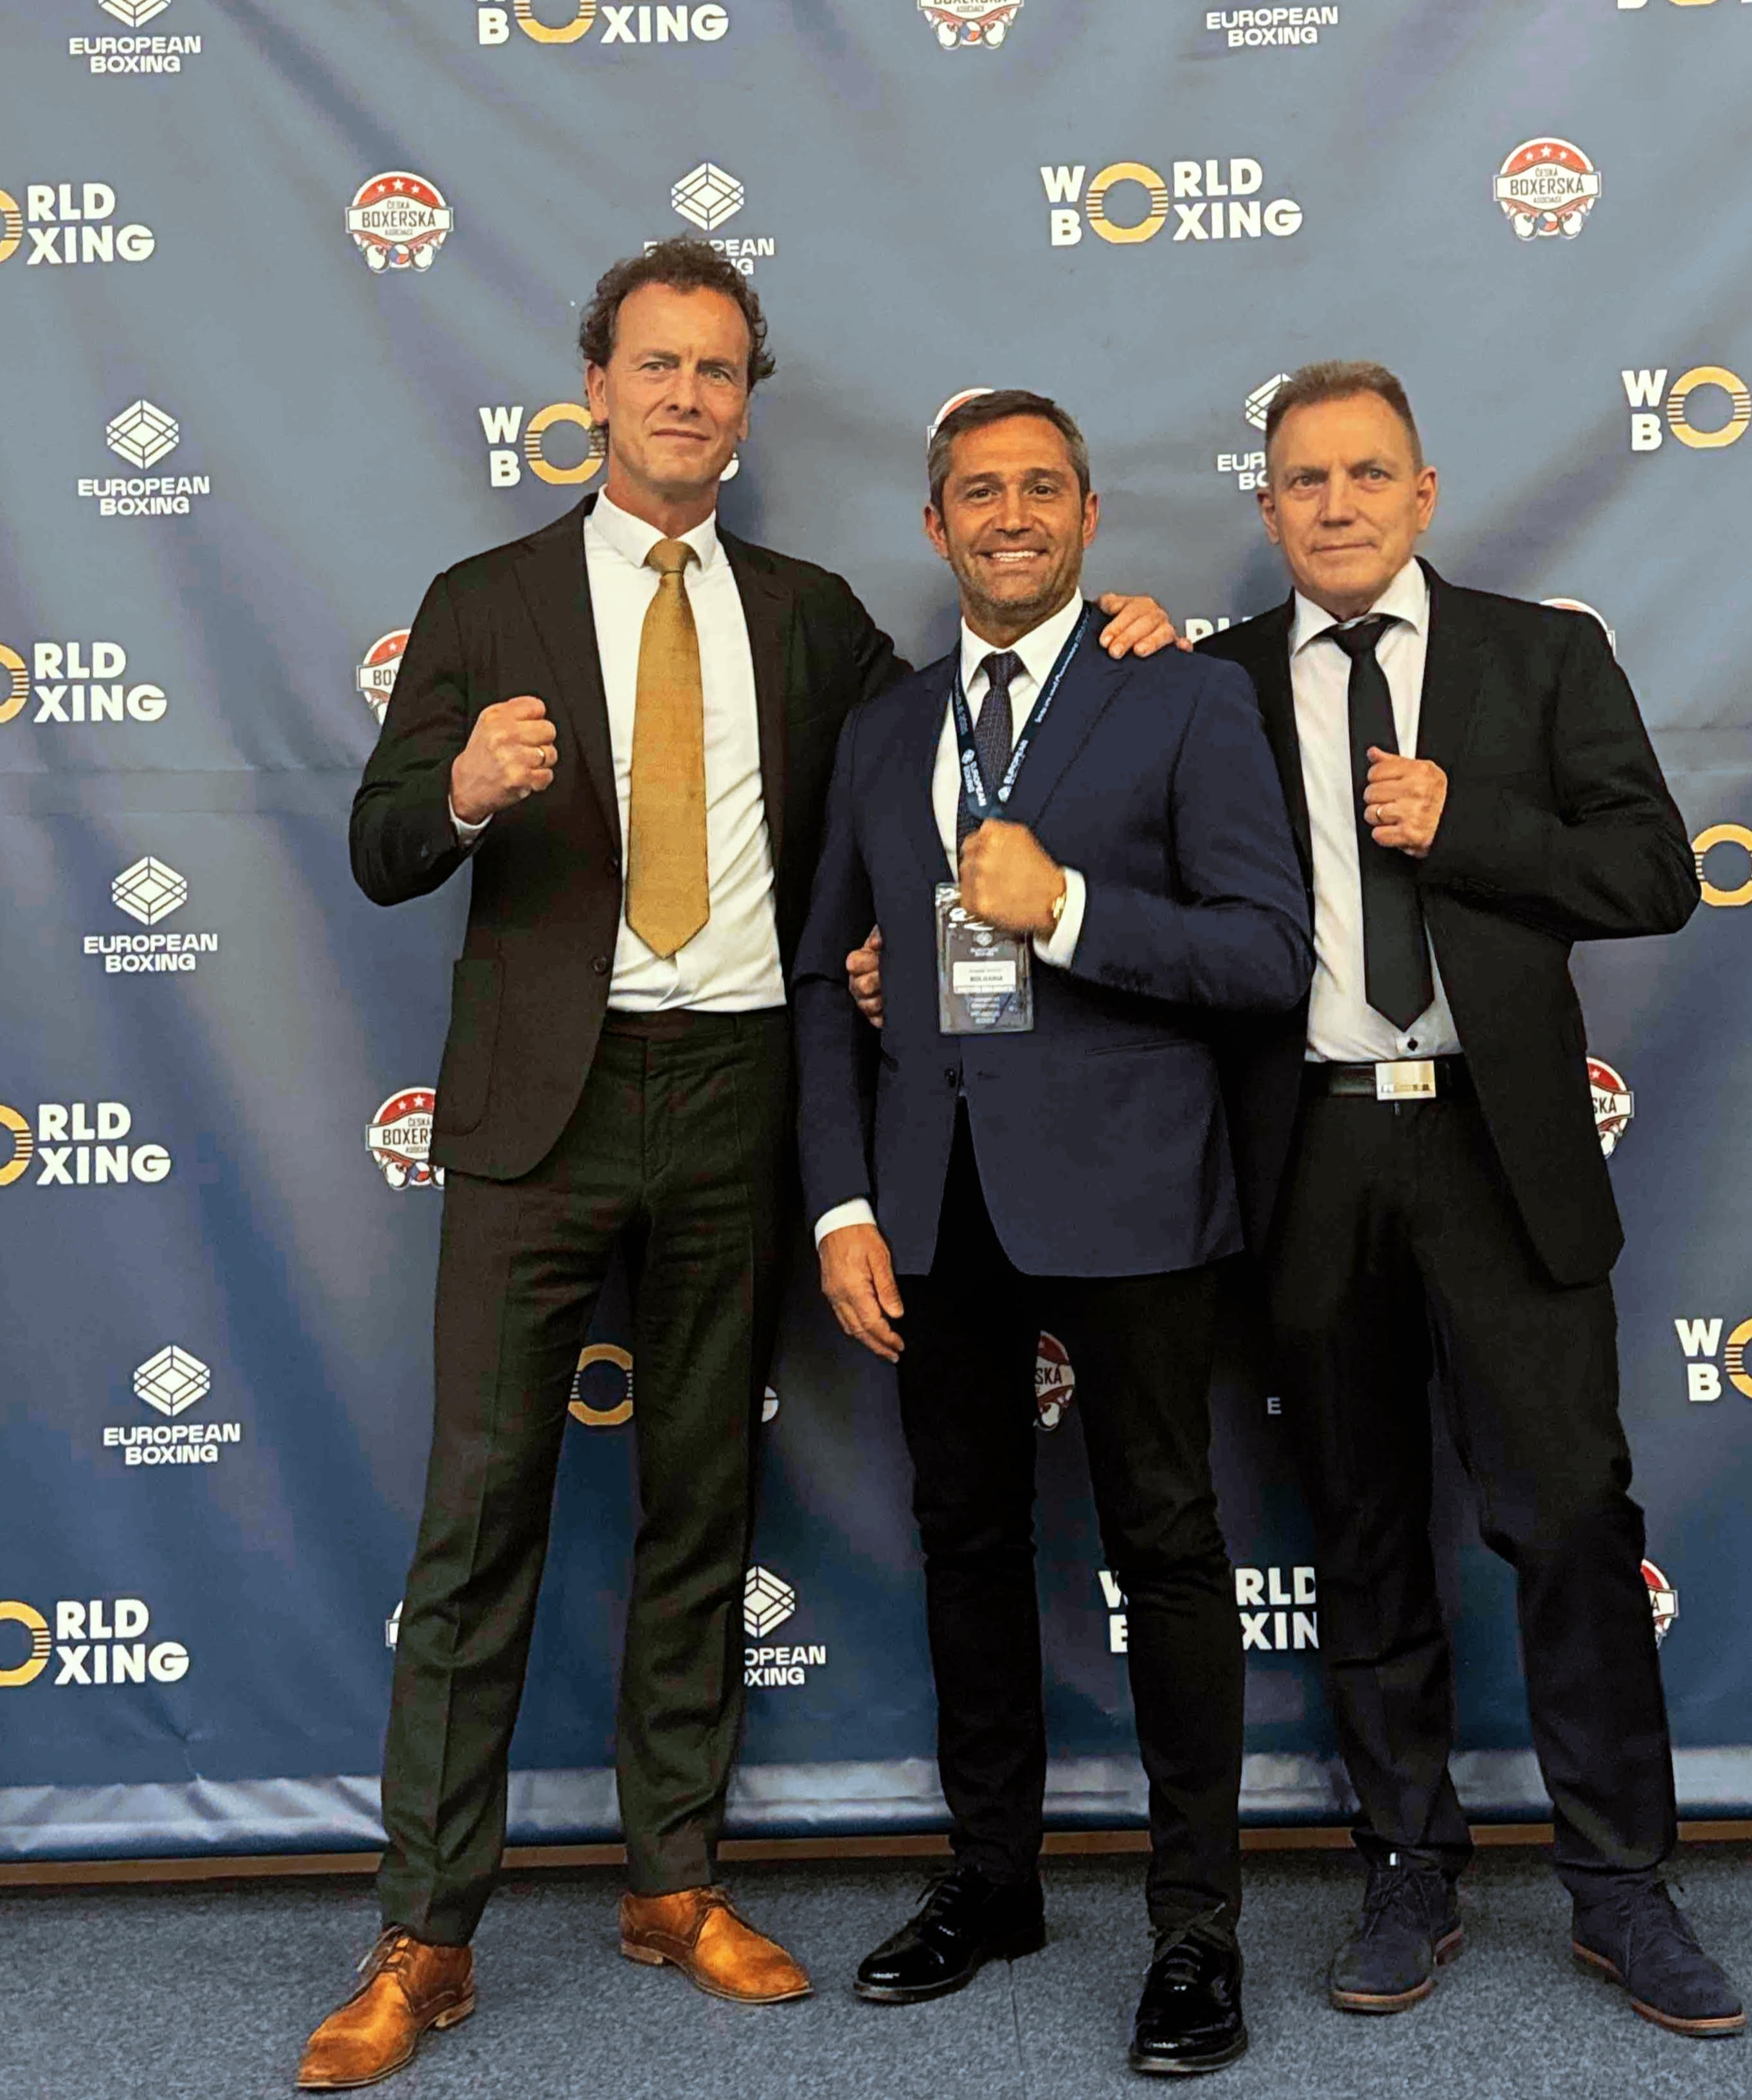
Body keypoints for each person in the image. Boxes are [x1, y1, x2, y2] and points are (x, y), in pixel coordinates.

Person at [301, 246, 1179, 2091]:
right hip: (538, 1110)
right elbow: (379, 844)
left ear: (743, 406)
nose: (688, 396)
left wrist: (1135, 640)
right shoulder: (483, 598)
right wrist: (459, 789)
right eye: (657, 366)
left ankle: (672, 1881)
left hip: (735, 1097)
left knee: (700, 1509)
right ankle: (426, 1932)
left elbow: (961, 737)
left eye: (717, 371)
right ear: (595, 391)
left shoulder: (806, 614)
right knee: (478, 1524)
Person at [1193, 363, 1741, 2036]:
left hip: (1500, 1154)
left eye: (1368, 473)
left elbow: (1653, 872)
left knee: (1569, 1517)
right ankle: (1406, 1867)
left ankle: (1619, 1885)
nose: (1337, 503)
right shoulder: (1212, 685)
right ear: (1267, 506)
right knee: (1362, 1532)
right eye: (1304, 478)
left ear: (1423, 493)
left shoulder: (1538, 656)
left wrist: (1467, 825)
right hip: (1310, 1152)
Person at [795, 388, 1311, 2076]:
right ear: (934, 525)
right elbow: (827, 980)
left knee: (1166, 1544)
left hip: (1133, 1186)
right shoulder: (886, 728)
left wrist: (1068, 908)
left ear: (1089, 516)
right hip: (933, 1199)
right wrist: (844, 1198)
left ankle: (1195, 1923)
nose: (1008, 514)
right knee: (964, 1541)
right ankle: (992, 1879)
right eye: (976, 491)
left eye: (1039, 488)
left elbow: (1265, 954)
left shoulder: (1185, 696)